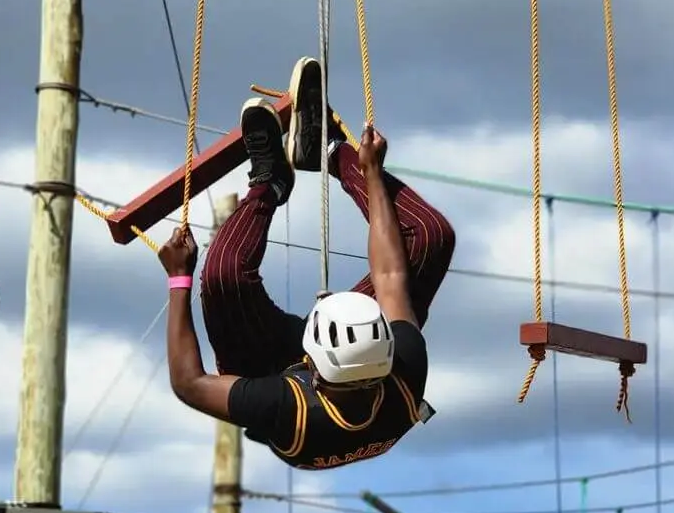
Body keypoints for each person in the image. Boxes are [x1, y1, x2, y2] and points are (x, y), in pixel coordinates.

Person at [158, 55, 455, 470]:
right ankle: (327, 148)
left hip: (264, 369)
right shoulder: (405, 368)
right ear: (387, 347)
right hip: (346, 383)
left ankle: (268, 183)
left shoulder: (282, 407)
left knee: (224, 276)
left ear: (311, 366)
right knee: (431, 237)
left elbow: (189, 384)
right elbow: (390, 274)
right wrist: (369, 170)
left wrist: (179, 279)